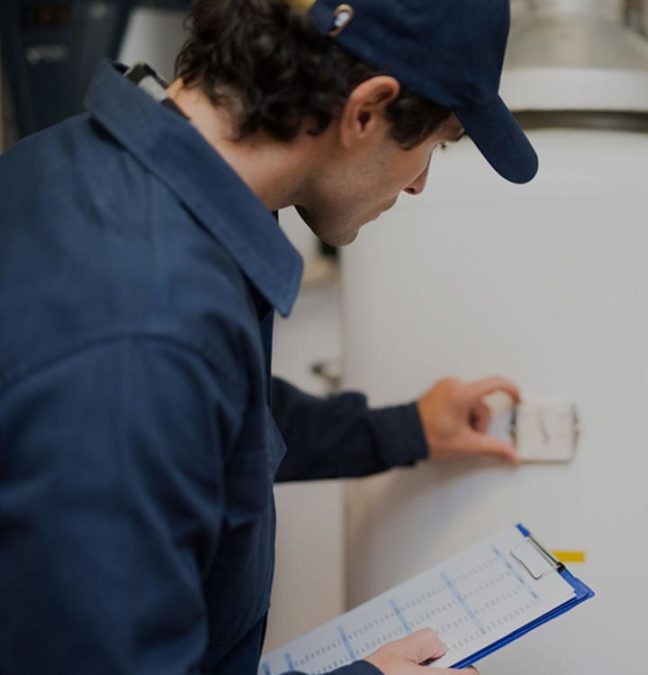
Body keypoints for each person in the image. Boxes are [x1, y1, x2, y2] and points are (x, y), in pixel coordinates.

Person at [0, 0, 538, 673]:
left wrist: (406, 430)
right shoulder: (145, 331)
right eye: (438, 140)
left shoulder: (81, 171)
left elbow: (214, 425)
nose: (422, 180)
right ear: (367, 110)